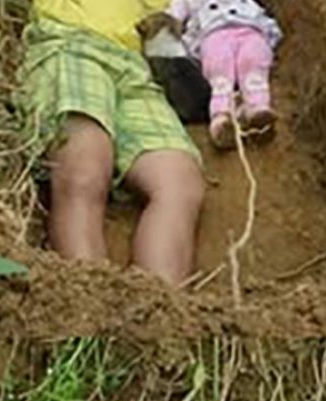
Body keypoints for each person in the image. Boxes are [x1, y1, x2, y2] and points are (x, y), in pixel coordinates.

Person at [24, 0, 207, 285]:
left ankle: (157, 314)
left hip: (138, 71)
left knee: (180, 183)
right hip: (70, 43)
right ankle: (88, 308)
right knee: (84, 166)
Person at [164, 0, 283, 149]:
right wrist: (166, 23)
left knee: (253, 61)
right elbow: (174, 14)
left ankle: (257, 109)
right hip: (213, 32)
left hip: (251, 28)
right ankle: (221, 120)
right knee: (220, 71)